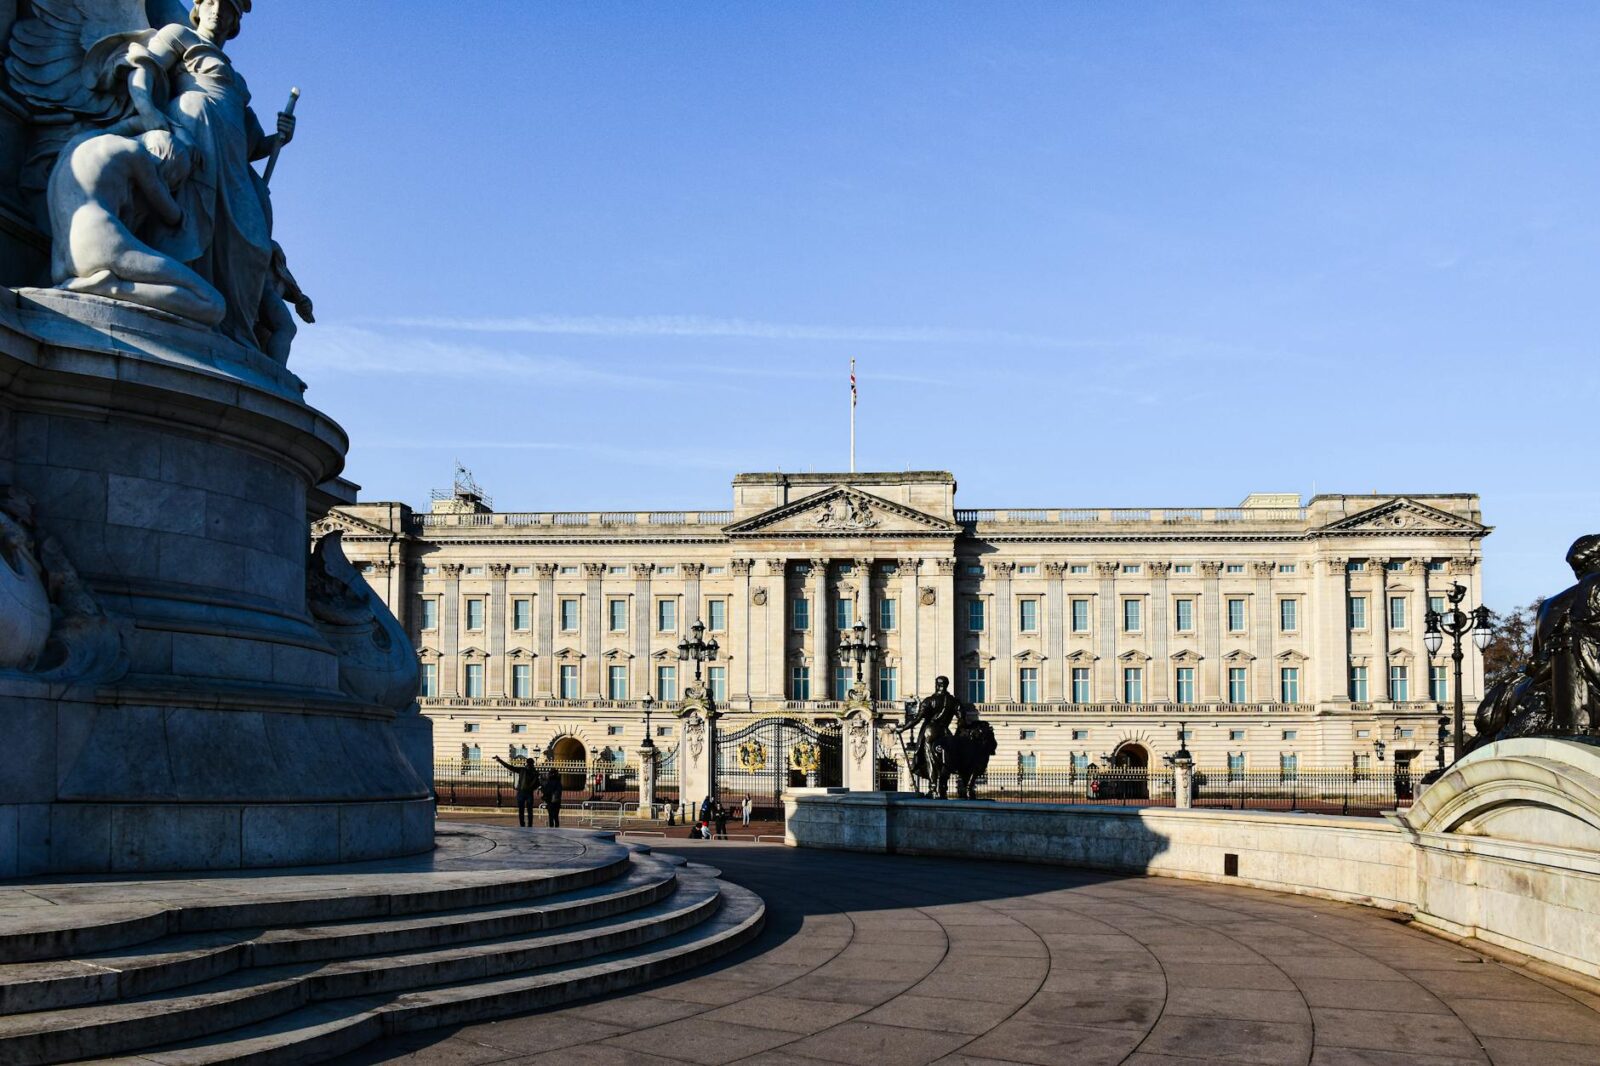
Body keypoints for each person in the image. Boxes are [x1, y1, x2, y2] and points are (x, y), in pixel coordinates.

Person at [492, 754, 540, 828]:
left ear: (527, 763)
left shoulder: (522, 770)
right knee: (530, 810)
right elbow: (537, 784)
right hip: (529, 793)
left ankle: (522, 824)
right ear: (533, 763)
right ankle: (530, 825)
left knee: (521, 810)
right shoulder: (535, 773)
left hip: (521, 792)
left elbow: (510, 767)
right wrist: (533, 788)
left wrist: (500, 760)